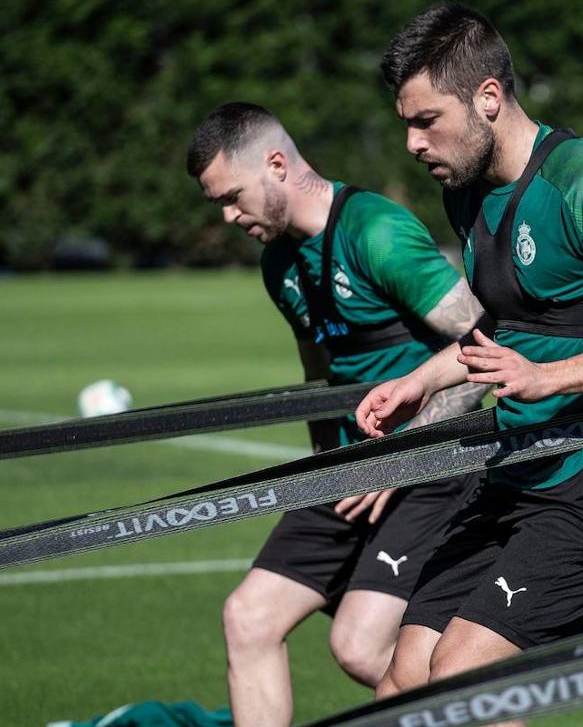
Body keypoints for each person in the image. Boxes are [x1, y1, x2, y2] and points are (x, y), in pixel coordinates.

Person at [353, 2, 583, 710]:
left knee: (463, 678)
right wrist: (418, 383)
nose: (413, 144)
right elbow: (506, 330)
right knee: (402, 681)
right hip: (523, 470)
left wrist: (545, 378)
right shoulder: (468, 193)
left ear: (488, 98)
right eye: (405, 124)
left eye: (426, 120)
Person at [186, 103, 487, 727]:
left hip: (435, 468)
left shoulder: (374, 230)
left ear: (277, 165)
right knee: (249, 617)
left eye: (234, 197)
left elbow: (483, 345)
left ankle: (498, 711)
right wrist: (326, 465)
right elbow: (318, 378)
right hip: (350, 471)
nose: (228, 216)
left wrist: (403, 460)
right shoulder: (280, 265)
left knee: (361, 647)